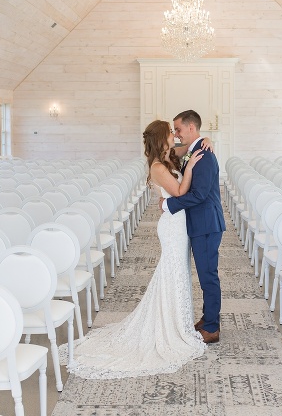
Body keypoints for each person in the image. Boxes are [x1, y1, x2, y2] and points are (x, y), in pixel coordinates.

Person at [65, 119, 207, 379]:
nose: (174, 136)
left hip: (179, 223)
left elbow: (189, 146)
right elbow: (178, 190)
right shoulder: (156, 167)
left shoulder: (167, 156)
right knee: (173, 271)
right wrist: (191, 168)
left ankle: (180, 322)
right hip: (172, 226)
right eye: (170, 133)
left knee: (179, 272)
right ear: (161, 138)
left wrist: (206, 141)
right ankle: (172, 327)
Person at [162, 110, 225, 344]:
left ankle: (211, 327)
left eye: (178, 129)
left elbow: (199, 194)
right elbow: (167, 152)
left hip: (207, 224)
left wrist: (169, 203)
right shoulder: (195, 150)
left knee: (208, 276)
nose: (176, 134)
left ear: (191, 127)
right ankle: (208, 318)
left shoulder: (204, 155)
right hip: (200, 223)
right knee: (205, 274)